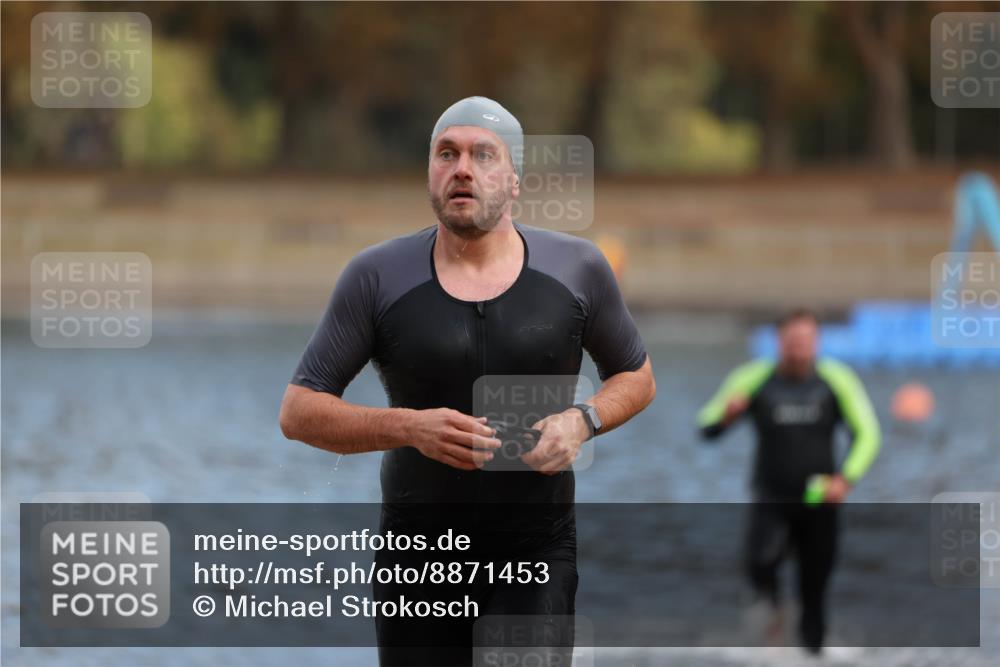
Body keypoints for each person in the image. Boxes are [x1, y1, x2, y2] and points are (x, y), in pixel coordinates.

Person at [279, 96, 656, 666]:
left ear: (514, 180)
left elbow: (637, 376)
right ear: (429, 172)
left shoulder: (576, 268)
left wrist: (584, 420)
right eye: (446, 153)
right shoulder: (377, 277)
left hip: (534, 557)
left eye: (484, 155)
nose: (462, 168)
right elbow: (299, 411)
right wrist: (409, 427)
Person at [696, 308, 880, 655]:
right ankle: (775, 633)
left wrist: (846, 478)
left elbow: (868, 434)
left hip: (819, 500)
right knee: (760, 567)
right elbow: (705, 426)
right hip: (771, 497)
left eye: (807, 340)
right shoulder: (754, 378)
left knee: (815, 589)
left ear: (817, 342)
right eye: (792, 340)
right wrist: (727, 416)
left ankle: (813, 654)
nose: (799, 348)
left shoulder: (836, 380)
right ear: (779, 342)